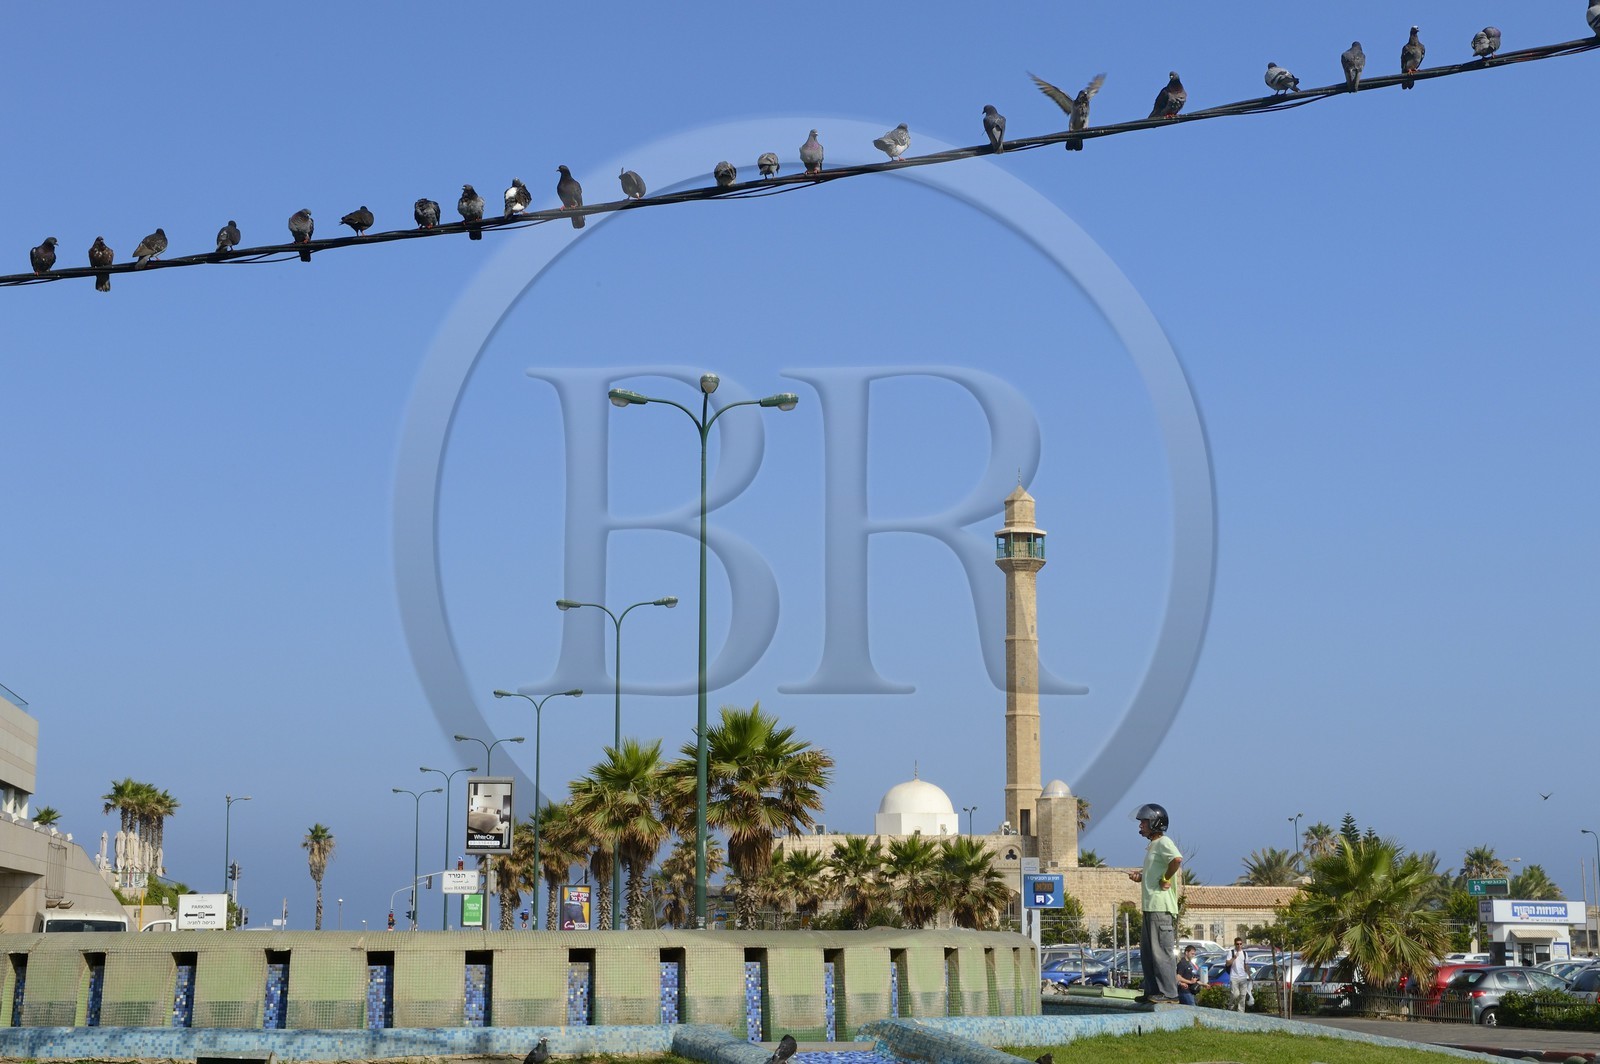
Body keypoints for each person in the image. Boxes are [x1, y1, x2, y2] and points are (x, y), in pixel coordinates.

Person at [1127, 802, 1183, 1004]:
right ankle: (1152, 991)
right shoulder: (1153, 846)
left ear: (1155, 823)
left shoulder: (1164, 842)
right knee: (1149, 953)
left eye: (1144, 822)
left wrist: (1166, 879)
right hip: (1150, 907)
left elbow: (1176, 860)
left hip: (1161, 908)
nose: (1140, 825)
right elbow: (1155, 872)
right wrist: (1141, 876)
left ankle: (1169, 993)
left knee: (1162, 953)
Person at [1227, 937, 1253, 1012]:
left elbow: (1246, 965)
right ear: (1235, 944)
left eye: (1240, 944)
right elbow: (1227, 963)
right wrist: (1234, 958)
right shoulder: (1231, 952)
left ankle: (1240, 1011)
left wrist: (1249, 975)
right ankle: (1230, 1006)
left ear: (1242, 944)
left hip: (1243, 977)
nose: (1239, 945)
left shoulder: (1245, 953)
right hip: (1234, 977)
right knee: (1235, 994)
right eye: (1237, 944)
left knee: (1243, 995)